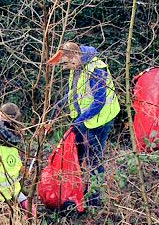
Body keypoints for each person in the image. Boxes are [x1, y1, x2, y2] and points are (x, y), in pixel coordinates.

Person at [48, 41, 119, 207]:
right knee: (78, 155)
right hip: (84, 119)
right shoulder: (77, 67)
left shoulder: (96, 69)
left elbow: (99, 101)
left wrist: (79, 121)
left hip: (101, 119)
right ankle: (76, 192)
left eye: (66, 63)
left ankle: (96, 200)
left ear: (75, 56)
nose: (65, 67)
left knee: (94, 158)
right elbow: (74, 93)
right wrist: (57, 108)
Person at [0, 103, 29, 209]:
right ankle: (31, 212)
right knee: (20, 197)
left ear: (2, 116)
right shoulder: (17, 138)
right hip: (13, 187)